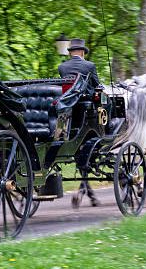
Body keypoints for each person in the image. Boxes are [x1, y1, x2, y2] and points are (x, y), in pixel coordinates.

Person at [57, 38, 100, 207]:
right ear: (82, 53)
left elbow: (67, 91)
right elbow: (97, 86)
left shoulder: (62, 68)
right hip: (86, 114)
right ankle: (108, 130)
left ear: (70, 53)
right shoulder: (89, 66)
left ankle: (85, 190)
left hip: (67, 113)